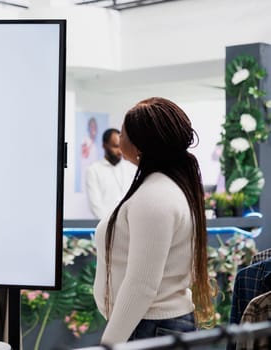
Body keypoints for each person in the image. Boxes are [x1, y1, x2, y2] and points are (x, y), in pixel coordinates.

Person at [93, 97, 214, 344]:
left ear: (140, 144)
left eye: (123, 133)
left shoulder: (154, 197)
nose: (119, 139)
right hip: (150, 325)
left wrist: (109, 344)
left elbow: (142, 285)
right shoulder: (164, 189)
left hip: (149, 326)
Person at [85, 128, 136, 219]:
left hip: (129, 224)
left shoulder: (132, 168)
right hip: (106, 226)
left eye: (121, 146)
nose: (120, 151)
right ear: (104, 146)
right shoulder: (94, 170)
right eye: (115, 146)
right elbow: (95, 205)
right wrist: (110, 224)